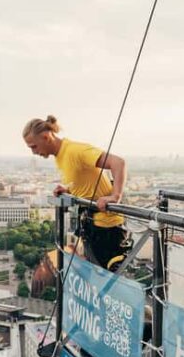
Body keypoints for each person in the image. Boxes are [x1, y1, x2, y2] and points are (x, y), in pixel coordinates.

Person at [23, 115, 130, 270]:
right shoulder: (61, 156)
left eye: (33, 146)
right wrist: (69, 190)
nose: (34, 152)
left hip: (108, 229)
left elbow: (118, 162)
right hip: (93, 226)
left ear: (46, 137)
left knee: (108, 279)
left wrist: (115, 196)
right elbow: (85, 181)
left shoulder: (74, 150)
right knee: (97, 278)